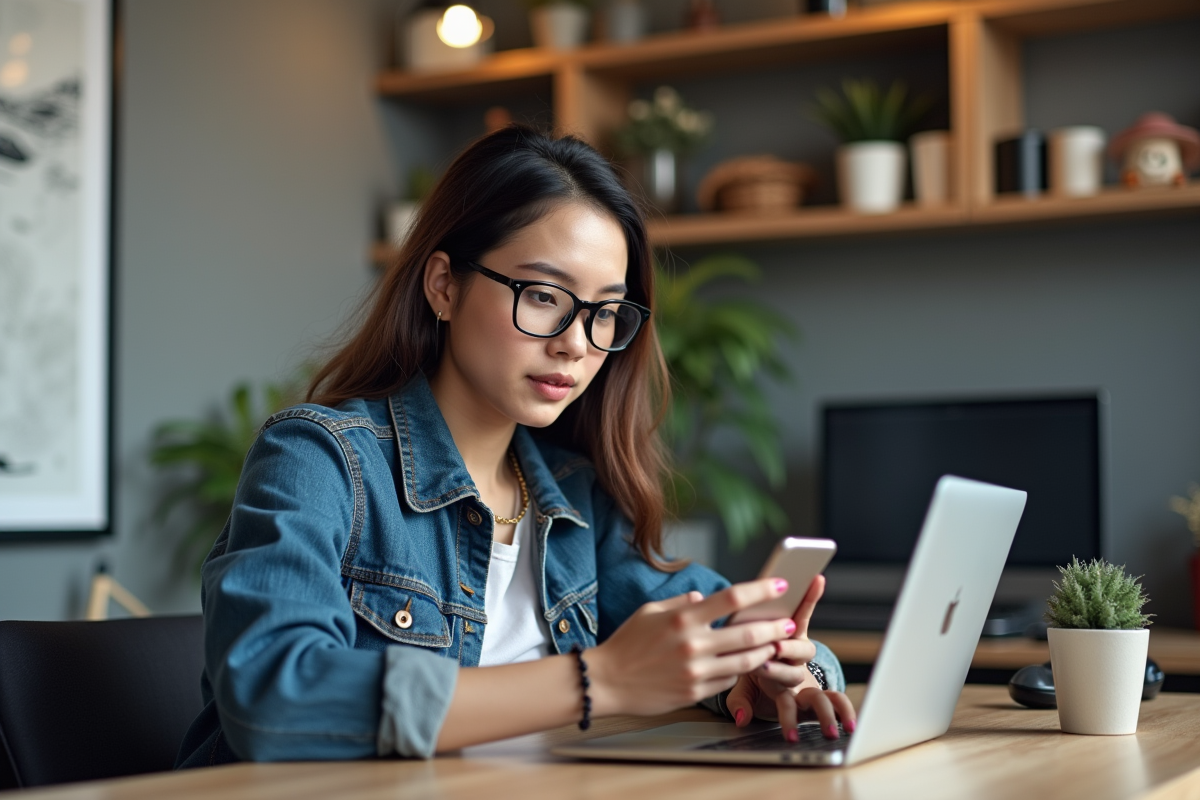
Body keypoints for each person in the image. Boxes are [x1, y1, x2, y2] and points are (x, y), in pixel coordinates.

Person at [176, 125, 855, 767]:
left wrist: (776, 671)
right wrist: (598, 681)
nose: (575, 342)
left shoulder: (573, 496)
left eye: (605, 312)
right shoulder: (320, 461)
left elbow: (711, 619)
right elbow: (273, 697)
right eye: (543, 296)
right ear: (444, 285)